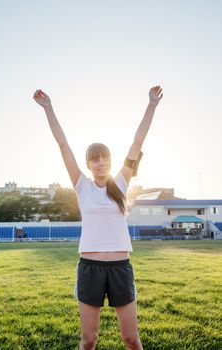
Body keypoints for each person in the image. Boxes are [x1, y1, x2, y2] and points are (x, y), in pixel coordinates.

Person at [33, 85, 163, 350]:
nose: (100, 162)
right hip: (90, 268)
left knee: (131, 339)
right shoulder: (81, 186)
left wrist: (151, 104)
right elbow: (63, 144)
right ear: (89, 164)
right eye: (95, 159)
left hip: (120, 269)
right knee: (89, 340)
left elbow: (138, 142)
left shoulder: (122, 183)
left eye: (104, 158)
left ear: (110, 161)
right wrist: (49, 108)